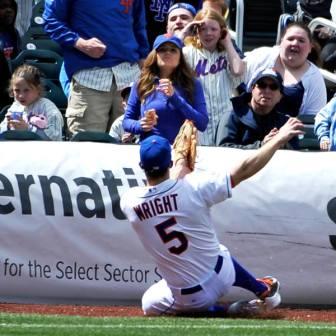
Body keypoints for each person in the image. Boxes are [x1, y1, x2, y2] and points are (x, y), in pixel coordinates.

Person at [120, 117, 304, 316]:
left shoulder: (130, 202)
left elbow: (165, 190)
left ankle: (223, 311)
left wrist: (180, 163)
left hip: (191, 298)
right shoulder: (194, 188)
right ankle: (260, 288)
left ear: (141, 165)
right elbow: (243, 170)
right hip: (224, 272)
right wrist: (277, 141)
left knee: (149, 304)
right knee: (216, 249)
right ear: (169, 162)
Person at [42, 0, 150, 138]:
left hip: (129, 78)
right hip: (90, 78)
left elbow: (139, 24)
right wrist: (80, 43)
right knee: (87, 150)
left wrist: (144, 59)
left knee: (131, 147)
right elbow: (51, 20)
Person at [122, 33, 208, 144]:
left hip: (181, 150)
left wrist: (175, 98)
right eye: (162, 49)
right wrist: (140, 125)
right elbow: (126, 121)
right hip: (150, 148)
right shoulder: (142, 83)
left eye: (173, 50)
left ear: (180, 56)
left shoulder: (193, 83)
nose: (167, 52)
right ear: (155, 55)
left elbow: (202, 123)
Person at [183, 8, 245, 146]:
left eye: (213, 29)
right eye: (203, 29)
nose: (208, 33)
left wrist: (228, 42)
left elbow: (238, 70)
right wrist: (183, 34)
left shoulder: (228, 53)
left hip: (225, 117)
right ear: (196, 31)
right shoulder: (187, 53)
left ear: (222, 31)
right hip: (198, 120)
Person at [244, 22, 327, 117]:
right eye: (290, 39)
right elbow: (236, 75)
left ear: (310, 47)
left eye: (301, 40)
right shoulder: (262, 56)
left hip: (286, 130)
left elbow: (312, 120)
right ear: (281, 42)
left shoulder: (315, 79)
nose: (295, 43)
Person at [216, 68, 299, 149]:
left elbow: (296, 154)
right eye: (262, 85)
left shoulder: (285, 123)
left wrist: (283, 144)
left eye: (273, 87)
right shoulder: (232, 116)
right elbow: (223, 151)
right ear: (252, 89)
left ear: (280, 96)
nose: (267, 90)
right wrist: (261, 146)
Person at [0, 64, 64, 141]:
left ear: (38, 89)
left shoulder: (47, 108)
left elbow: (55, 137)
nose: (21, 96)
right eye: (17, 90)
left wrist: (28, 129)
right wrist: (8, 126)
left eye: (26, 90)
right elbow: (2, 131)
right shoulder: (15, 106)